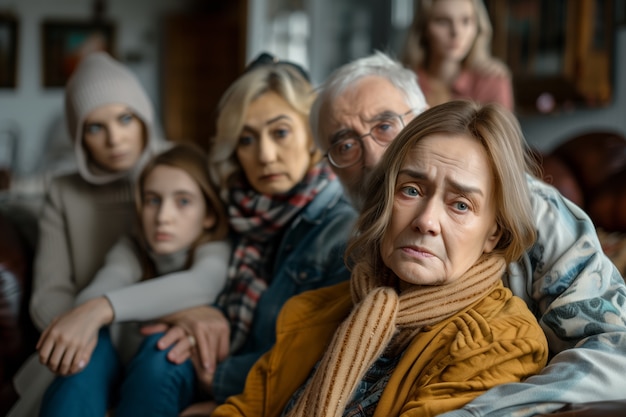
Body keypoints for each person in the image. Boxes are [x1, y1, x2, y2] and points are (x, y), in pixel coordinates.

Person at [310, 52, 626, 416]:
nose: (372, 156)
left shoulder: (537, 212)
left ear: (421, 117)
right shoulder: (354, 244)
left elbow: (614, 350)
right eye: (345, 144)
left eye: (384, 126)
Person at [213, 100, 549, 417]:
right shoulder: (320, 308)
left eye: (460, 204)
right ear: (384, 202)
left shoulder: (500, 340)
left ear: (494, 233)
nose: (426, 221)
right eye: (411, 190)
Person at [124, 53, 358, 415]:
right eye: (247, 140)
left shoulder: (339, 232)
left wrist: (216, 384)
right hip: (215, 360)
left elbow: (318, 360)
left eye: (280, 133)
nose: (265, 155)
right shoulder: (231, 209)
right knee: (159, 349)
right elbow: (184, 281)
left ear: (313, 137)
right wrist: (192, 313)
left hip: (262, 389)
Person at [7, 51, 170, 417]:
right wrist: (84, 328)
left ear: (144, 117)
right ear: (79, 135)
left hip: (161, 326)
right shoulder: (64, 191)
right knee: (81, 366)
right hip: (86, 332)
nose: (115, 138)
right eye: (96, 127)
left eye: (125, 119)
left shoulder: (178, 171)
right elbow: (49, 292)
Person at [36, 143, 231, 416]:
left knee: (163, 348)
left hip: (166, 375)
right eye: (153, 200)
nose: (163, 217)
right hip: (115, 369)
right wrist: (91, 314)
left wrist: (100, 310)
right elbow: (91, 298)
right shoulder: (132, 248)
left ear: (209, 214)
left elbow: (201, 283)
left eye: (183, 201)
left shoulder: (215, 249)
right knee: (89, 347)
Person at [402, 0, 514, 110]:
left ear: (478, 27)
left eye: (466, 21)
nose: (456, 32)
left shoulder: (492, 81)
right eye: (443, 21)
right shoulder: (403, 83)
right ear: (423, 28)